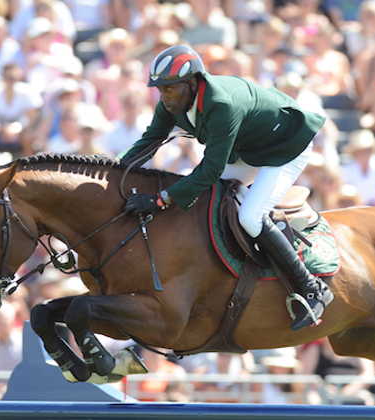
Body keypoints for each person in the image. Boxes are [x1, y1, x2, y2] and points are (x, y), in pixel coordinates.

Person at [120, 45, 332, 332]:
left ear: (192, 82)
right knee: (209, 201)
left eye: (170, 88)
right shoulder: (172, 104)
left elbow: (210, 170)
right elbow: (149, 141)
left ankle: (312, 288)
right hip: (249, 148)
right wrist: (113, 173)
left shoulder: (221, 104)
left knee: (249, 217)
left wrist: (160, 200)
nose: (165, 95)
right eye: (161, 89)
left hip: (285, 147)